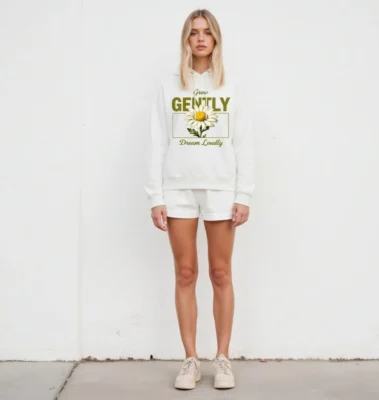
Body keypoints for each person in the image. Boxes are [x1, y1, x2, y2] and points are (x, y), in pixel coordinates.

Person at [144, 8, 255, 390]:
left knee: (221, 273)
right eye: (194, 33)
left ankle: (222, 359)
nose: (201, 38)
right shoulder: (169, 86)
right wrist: (155, 196)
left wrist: (243, 194)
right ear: (186, 40)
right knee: (185, 273)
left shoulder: (231, 86)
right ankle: (190, 359)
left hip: (221, 189)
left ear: (216, 38)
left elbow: (243, 142)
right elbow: (158, 142)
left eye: (207, 32)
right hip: (177, 190)